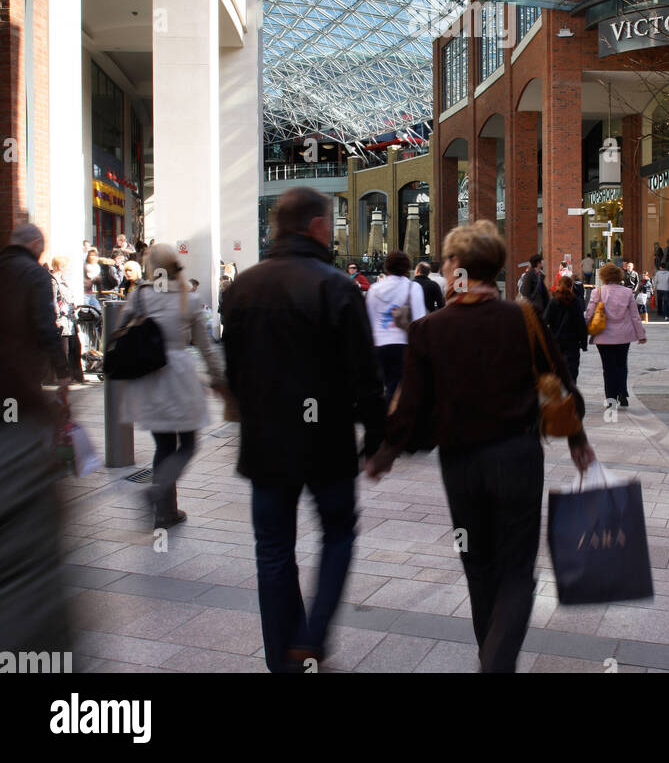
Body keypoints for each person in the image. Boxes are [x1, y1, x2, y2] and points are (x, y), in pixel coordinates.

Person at [365, 220, 594, 674]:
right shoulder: (522, 316)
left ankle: (492, 657)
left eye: (449, 260)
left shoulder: (431, 329)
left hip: (461, 464)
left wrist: (385, 453)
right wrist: (577, 439)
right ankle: (496, 661)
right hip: (518, 457)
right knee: (515, 569)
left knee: (477, 565)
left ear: (456, 267)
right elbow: (559, 382)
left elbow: (410, 405)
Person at [222, 187, 386, 673]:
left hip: (266, 442)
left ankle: (284, 658)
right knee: (338, 533)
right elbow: (366, 373)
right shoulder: (335, 287)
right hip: (325, 441)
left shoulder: (242, 288)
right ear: (316, 226)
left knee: (273, 550)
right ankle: (311, 639)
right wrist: (375, 438)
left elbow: (234, 375)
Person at [0, 223, 71, 666]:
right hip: (18, 415)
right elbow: (46, 327)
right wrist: (63, 376)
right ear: (36, 248)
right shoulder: (33, 276)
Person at [119, 244, 226, 530]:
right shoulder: (188, 299)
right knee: (188, 444)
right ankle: (157, 496)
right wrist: (217, 378)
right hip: (179, 375)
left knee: (163, 445)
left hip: (149, 376)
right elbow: (205, 346)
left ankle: (165, 513)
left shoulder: (139, 294)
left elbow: (121, 328)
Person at [365, 250, 427, 404]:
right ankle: (391, 420)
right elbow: (419, 320)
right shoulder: (413, 288)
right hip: (403, 344)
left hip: (379, 344)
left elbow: (369, 319)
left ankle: (382, 419)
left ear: (387, 266)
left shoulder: (374, 289)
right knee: (397, 387)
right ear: (407, 267)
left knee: (383, 386)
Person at [584, 262, 647, 409]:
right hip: (623, 336)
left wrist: (583, 331)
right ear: (619, 276)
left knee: (608, 367)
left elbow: (589, 314)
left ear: (603, 277)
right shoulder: (627, 292)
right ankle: (623, 393)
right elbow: (635, 316)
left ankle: (610, 397)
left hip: (603, 336)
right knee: (621, 364)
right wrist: (640, 334)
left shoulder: (597, 292)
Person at [543, 274, 588, 381]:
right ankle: (570, 394)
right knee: (571, 373)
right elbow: (580, 324)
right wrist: (584, 343)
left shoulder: (554, 301)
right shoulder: (576, 302)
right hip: (572, 343)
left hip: (556, 342)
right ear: (571, 286)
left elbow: (545, 321)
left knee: (556, 371)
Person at [50, 256, 84, 385]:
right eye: (66, 266)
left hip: (70, 317)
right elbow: (53, 300)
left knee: (75, 346)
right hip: (63, 319)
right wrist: (57, 317)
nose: (68, 269)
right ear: (60, 267)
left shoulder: (63, 280)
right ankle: (63, 377)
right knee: (65, 349)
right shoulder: (54, 281)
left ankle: (75, 376)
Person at [520, 253, 549, 317]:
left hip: (540, 309)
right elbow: (525, 292)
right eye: (542, 260)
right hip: (534, 309)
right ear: (538, 263)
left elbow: (543, 293)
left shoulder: (540, 275)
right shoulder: (529, 275)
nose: (544, 262)